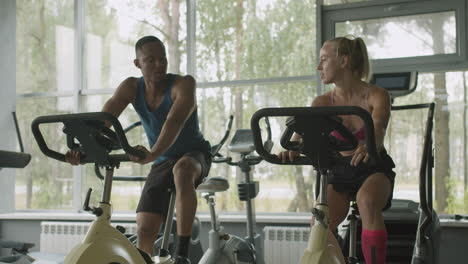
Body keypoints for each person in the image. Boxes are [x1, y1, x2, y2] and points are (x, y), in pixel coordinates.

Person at [65, 35, 211, 264]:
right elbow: (102, 122)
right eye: (150, 60)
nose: (159, 65)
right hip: (162, 158)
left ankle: (182, 255)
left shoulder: (183, 84)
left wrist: (151, 154)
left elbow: (174, 122)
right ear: (138, 63)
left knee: (182, 170)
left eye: (162, 59)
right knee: (144, 230)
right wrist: (83, 150)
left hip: (193, 154)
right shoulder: (131, 87)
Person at [278, 36, 395, 264]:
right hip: (338, 171)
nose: (318, 66)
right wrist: (290, 151)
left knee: (367, 201)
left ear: (343, 60)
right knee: (320, 224)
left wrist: (370, 145)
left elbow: (379, 128)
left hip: (372, 168)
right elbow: (297, 139)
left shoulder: (377, 95)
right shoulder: (321, 103)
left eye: (324, 60)